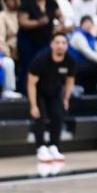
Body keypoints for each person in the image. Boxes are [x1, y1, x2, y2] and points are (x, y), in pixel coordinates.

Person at [27, 32, 75, 162]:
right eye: (57, 42)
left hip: (55, 92)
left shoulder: (69, 61)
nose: (60, 45)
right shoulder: (41, 60)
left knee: (58, 116)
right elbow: (31, 83)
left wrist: (66, 99)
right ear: (52, 45)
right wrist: (33, 105)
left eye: (63, 43)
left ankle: (54, 146)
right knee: (40, 117)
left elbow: (70, 81)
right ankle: (41, 148)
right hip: (39, 92)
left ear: (67, 45)